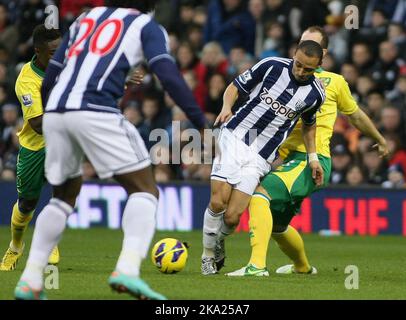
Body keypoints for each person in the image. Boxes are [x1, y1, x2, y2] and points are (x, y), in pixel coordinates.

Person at [15, 0, 207, 300]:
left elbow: (52, 72)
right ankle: (127, 271)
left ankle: (30, 280)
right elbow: (168, 76)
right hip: (97, 110)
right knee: (145, 190)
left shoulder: (84, 19)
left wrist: (56, 108)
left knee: (63, 197)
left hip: (56, 111)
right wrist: (200, 120)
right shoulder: (146, 26)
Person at [226, 26, 389, 277]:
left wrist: (379, 137)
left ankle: (256, 267)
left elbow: (354, 115)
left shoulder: (333, 82)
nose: (304, 51)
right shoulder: (281, 73)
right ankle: (302, 267)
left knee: (259, 196)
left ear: (322, 53)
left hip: (312, 159)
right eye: (302, 43)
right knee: (278, 225)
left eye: (311, 45)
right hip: (287, 159)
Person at [201, 40, 326, 275]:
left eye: (307, 69)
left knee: (233, 217)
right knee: (218, 201)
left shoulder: (316, 94)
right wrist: (227, 107)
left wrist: (313, 157)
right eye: (298, 65)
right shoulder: (272, 65)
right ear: (293, 55)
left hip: (262, 156)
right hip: (234, 136)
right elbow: (235, 86)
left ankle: (218, 242)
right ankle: (207, 255)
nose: (300, 71)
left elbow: (309, 126)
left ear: (319, 65)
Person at [0, 25, 61, 272]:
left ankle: (50, 240)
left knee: (64, 193)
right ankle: (16, 246)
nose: (60, 57)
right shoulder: (27, 78)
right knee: (27, 204)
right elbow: (37, 125)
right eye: (54, 53)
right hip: (35, 146)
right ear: (39, 51)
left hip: (63, 144)